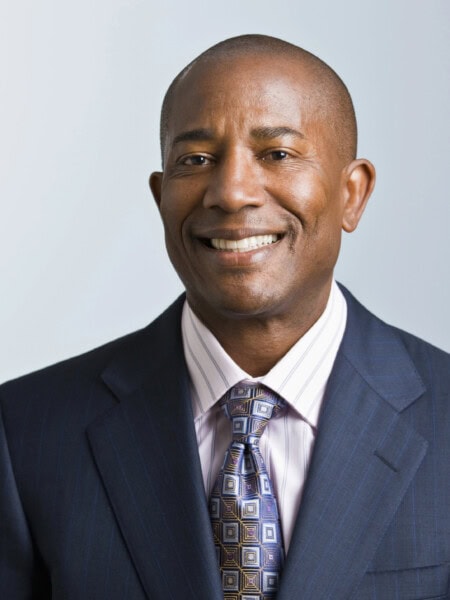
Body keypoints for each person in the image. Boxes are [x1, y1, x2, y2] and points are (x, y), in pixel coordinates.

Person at [0, 34, 449, 600]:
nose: (232, 193)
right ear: (161, 198)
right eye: (196, 160)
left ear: (351, 194)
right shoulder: (24, 432)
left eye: (277, 154)